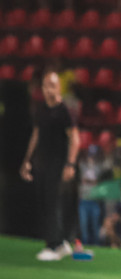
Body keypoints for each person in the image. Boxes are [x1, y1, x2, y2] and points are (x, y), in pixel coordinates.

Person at [19, 70, 80, 261]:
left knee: (53, 204)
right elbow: (36, 135)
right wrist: (27, 160)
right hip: (42, 164)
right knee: (45, 203)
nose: (49, 90)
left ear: (59, 87)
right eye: (46, 86)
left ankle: (53, 246)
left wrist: (70, 164)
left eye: (52, 85)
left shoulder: (64, 111)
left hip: (58, 163)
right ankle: (61, 243)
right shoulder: (41, 109)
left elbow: (75, 139)